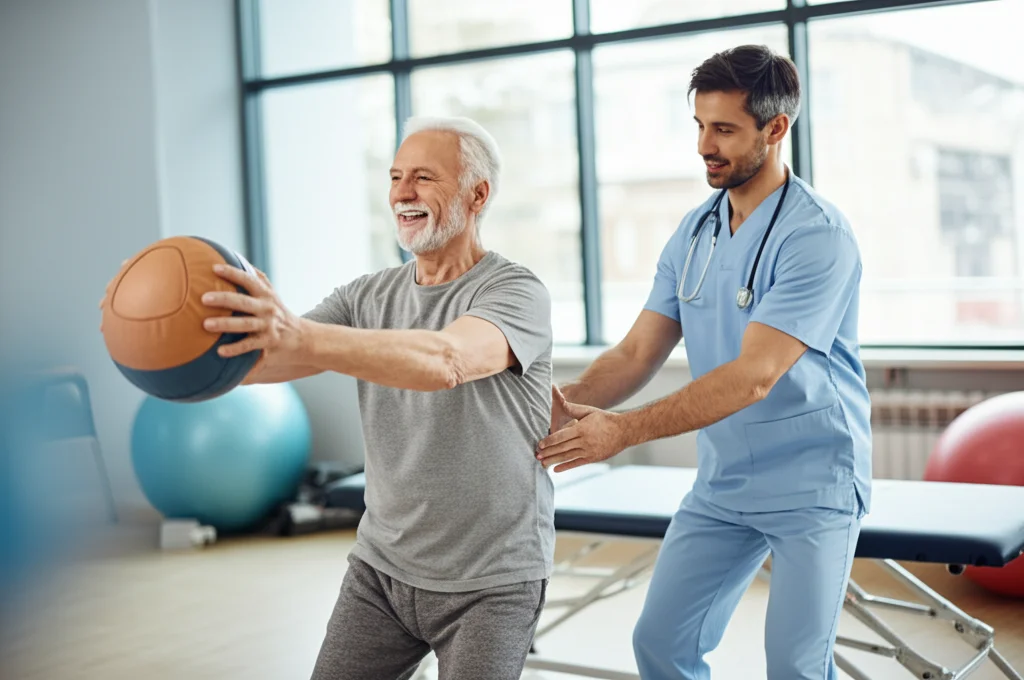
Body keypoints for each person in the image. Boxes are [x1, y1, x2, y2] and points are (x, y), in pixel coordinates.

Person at [536, 45, 871, 680]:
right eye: (698, 125)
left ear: (775, 129)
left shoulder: (817, 235)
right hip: (723, 483)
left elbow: (757, 374)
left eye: (723, 130)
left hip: (812, 481)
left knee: (797, 668)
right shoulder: (696, 232)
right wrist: (565, 403)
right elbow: (639, 352)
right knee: (661, 646)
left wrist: (624, 431)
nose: (703, 146)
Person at [201, 116, 554, 680]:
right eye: (394, 177)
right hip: (383, 571)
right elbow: (267, 358)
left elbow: (446, 361)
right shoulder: (365, 295)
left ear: (477, 194)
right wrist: (166, 348)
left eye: (423, 177)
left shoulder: (514, 291)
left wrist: (298, 331)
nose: (402, 193)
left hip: (492, 579)